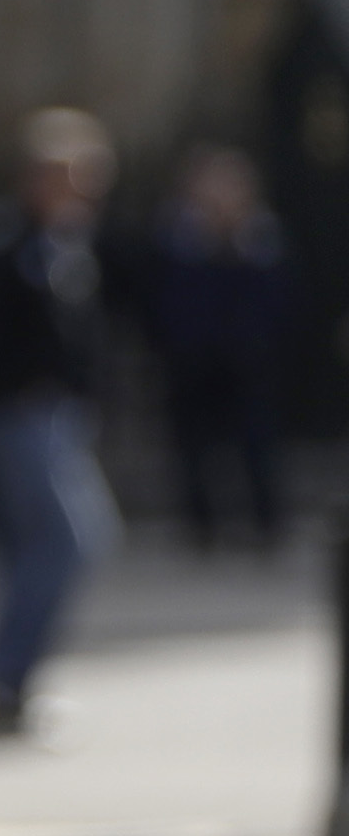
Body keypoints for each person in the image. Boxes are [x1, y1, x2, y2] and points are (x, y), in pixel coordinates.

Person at [0, 108, 122, 738]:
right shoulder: (6, 243)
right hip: (20, 415)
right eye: (78, 176)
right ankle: (7, 676)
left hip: (59, 415)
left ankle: (13, 685)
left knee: (39, 549)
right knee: (72, 541)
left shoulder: (69, 243)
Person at [148, 142, 295, 555]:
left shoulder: (261, 238)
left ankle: (267, 525)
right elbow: (162, 300)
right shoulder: (177, 238)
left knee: (257, 445)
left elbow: (280, 301)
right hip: (193, 358)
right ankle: (202, 528)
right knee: (194, 449)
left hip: (247, 360)